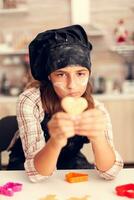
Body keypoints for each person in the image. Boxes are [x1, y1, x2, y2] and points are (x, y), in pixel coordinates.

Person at [8, 25, 123, 182]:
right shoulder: (30, 101)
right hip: (30, 166)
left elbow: (111, 172)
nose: (72, 85)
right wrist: (55, 141)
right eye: (61, 74)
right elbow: (37, 175)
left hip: (70, 161)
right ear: (49, 76)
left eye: (80, 74)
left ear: (89, 73)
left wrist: (98, 138)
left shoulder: (96, 108)